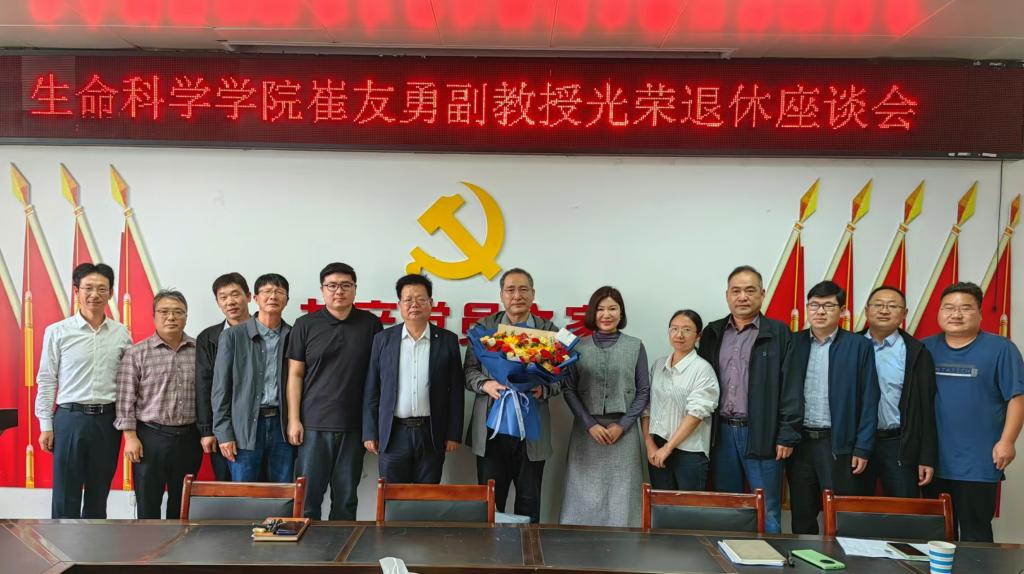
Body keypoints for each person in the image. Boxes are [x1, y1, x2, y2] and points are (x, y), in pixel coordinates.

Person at [698, 265, 798, 533]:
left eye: (750, 290)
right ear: (727, 295)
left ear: (762, 294)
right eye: (736, 291)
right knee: (728, 509)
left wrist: (786, 434)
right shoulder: (713, 332)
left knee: (767, 510)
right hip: (721, 435)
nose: (742, 297)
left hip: (763, 433)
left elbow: (791, 387)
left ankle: (769, 556)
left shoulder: (779, 333)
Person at [922, 282, 1024, 542]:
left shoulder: (1001, 348)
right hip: (931, 461)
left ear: (979, 313)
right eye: (949, 308)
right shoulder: (924, 348)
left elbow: (1016, 398)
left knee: (976, 535)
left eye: (965, 308)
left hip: (978, 461)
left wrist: (1008, 441)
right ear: (939, 312)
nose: (956, 314)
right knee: (936, 536)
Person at [286, 262, 382, 520]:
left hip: (353, 426)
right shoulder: (305, 324)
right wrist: (294, 420)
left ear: (355, 289)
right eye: (332, 286)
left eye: (345, 285)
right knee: (307, 500)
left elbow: (377, 377)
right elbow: (295, 375)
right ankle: (307, 547)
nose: (339, 291)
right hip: (313, 425)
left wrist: (372, 426)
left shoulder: (371, 324)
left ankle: (341, 547)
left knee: (346, 500)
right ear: (322, 290)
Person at [35, 263, 132, 518]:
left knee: (99, 494)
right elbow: (46, 379)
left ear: (111, 293)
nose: (95, 294)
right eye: (88, 288)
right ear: (76, 291)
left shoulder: (121, 334)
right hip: (70, 418)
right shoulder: (58, 332)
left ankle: (94, 543)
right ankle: (63, 544)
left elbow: (128, 381)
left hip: (108, 421)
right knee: (65, 494)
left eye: (102, 288)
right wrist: (45, 424)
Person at [464, 268, 561, 523]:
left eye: (523, 289)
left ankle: (527, 549)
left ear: (533, 294)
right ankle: (489, 548)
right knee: (490, 504)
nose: (517, 295)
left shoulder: (549, 331)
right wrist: (486, 385)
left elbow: (564, 376)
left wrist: (544, 389)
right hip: (491, 429)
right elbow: (469, 371)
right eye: (510, 290)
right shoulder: (483, 328)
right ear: (502, 295)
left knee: (529, 502)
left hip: (532, 431)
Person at [785, 280, 879, 535]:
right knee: (802, 514)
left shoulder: (858, 346)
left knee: (839, 517)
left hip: (838, 444)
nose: (820, 311)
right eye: (814, 305)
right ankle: (803, 557)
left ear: (842, 311)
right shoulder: (794, 343)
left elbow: (870, 399)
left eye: (828, 306)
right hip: (800, 443)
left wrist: (863, 447)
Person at [560, 286, 650, 527]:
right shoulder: (578, 347)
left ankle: (624, 547)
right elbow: (568, 389)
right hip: (586, 433)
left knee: (623, 497)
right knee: (581, 497)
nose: (606, 314)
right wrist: (589, 424)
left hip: (624, 433)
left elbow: (643, 391)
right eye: (600, 309)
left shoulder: (635, 346)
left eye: (612, 308)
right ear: (592, 313)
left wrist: (622, 425)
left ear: (621, 313)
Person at [363, 273, 464, 484]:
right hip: (393, 433)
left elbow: (456, 392)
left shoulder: (447, 340)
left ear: (431, 303)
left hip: (432, 432)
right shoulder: (383, 340)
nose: (414, 305)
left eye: (420, 299)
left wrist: (453, 434)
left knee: (427, 495)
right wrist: (370, 432)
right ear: (399, 305)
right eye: (408, 300)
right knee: (391, 495)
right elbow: (372, 389)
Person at [114, 290, 202, 519]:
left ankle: (179, 543)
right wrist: (130, 438)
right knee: (148, 503)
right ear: (154, 316)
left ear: (186, 317)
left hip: (189, 438)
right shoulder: (136, 353)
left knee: (182, 506)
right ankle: (149, 543)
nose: (171, 317)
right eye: (164, 312)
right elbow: (125, 399)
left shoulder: (200, 351)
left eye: (178, 312)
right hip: (150, 437)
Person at [212, 273, 295, 482]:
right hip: (244, 427)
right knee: (244, 491)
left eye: (279, 292)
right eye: (267, 291)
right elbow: (220, 389)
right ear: (255, 298)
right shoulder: (232, 336)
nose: (273, 296)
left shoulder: (294, 336)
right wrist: (224, 434)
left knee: (283, 491)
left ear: (287, 300)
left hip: (282, 426)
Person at [859, 285, 937, 498]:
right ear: (866, 310)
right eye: (878, 305)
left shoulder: (917, 352)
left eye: (893, 306)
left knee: (904, 508)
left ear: (904, 314)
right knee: (853, 509)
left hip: (898, 443)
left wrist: (927, 457)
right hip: (856, 443)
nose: (884, 310)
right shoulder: (849, 345)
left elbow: (926, 408)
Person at [642, 310, 719, 491]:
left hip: (689, 453)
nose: (679, 335)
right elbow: (647, 407)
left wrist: (668, 448)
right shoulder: (658, 365)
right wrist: (649, 444)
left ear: (698, 336)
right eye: (674, 329)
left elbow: (696, 414)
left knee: (688, 506)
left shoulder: (703, 369)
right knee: (661, 504)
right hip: (657, 447)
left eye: (686, 330)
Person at [195, 272, 251, 481]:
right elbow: (203, 385)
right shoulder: (208, 338)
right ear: (218, 302)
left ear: (248, 296)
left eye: (235, 294)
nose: (230, 302)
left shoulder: (266, 332)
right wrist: (207, 430)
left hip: (257, 425)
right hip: (222, 426)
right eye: (223, 297)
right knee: (226, 484)